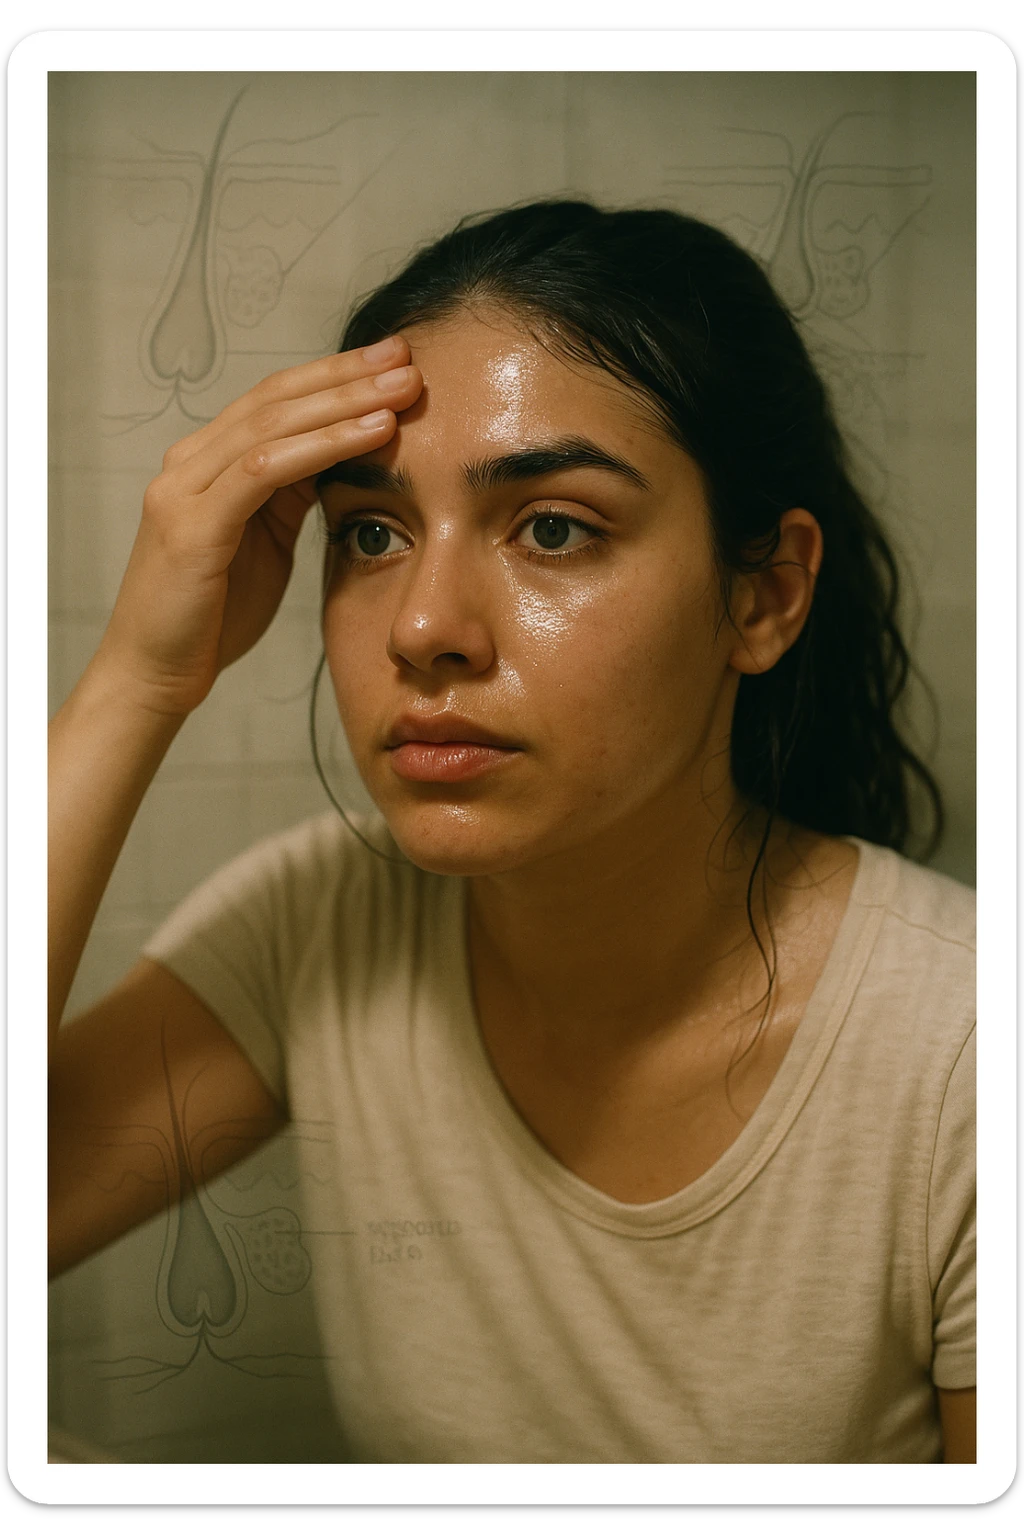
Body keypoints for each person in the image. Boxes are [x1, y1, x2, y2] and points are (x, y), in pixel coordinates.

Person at [48, 200, 975, 1464]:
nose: (423, 627)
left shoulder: (965, 1063)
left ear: (761, 596)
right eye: (371, 533)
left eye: (552, 527)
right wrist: (132, 685)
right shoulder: (321, 928)